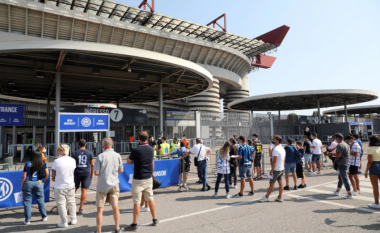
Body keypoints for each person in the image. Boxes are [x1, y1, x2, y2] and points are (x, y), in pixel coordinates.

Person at [125, 131, 159, 231]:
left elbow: (128, 162)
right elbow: (152, 163)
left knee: (137, 202)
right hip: (148, 177)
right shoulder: (151, 149)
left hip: (138, 178)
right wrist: (152, 173)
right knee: (151, 198)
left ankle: (134, 224)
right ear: (147, 138)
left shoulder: (136, 150)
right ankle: (155, 219)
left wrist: (133, 160)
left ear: (139, 139)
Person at [94, 138, 124, 233]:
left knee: (100, 210)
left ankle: (99, 231)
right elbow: (121, 170)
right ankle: (117, 228)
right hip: (114, 184)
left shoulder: (100, 156)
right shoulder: (117, 155)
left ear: (103, 145)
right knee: (115, 207)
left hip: (102, 185)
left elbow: (96, 173)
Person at [52, 144, 77, 228]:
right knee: (71, 202)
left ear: (62, 151)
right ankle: (73, 219)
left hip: (59, 186)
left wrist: (55, 177)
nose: (56, 152)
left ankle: (64, 222)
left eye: (58, 150)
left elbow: (53, 175)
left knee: (61, 204)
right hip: (70, 184)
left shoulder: (56, 161)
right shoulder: (72, 160)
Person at [21, 150, 49, 225]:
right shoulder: (43, 163)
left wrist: (22, 186)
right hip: (39, 182)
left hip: (28, 182)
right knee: (40, 200)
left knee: (27, 202)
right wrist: (43, 181)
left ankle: (27, 220)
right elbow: (47, 173)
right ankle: (44, 216)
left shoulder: (27, 164)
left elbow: (24, 176)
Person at [259, 135, 285, 202]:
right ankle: (280, 197)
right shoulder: (282, 148)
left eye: (274, 139)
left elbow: (274, 161)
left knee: (271, 184)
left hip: (276, 169)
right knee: (280, 182)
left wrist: (272, 170)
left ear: (277, 140)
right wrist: (282, 166)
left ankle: (266, 197)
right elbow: (284, 159)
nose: (273, 140)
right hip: (281, 168)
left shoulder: (276, 149)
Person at [327, 133, 353, 199]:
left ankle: (349, 193)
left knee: (344, 178)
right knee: (341, 178)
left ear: (338, 138)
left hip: (342, 163)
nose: (335, 139)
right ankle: (337, 191)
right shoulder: (346, 144)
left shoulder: (340, 145)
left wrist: (331, 153)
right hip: (346, 163)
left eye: (335, 138)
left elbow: (339, 155)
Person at [71, 139, 94, 214]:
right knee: (84, 190)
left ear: (78, 144)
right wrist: (92, 174)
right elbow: (92, 165)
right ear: (85, 144)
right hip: (86, 172)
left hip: (76, 172)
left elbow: (71, 164)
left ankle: (70, 206)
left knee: (73, 189)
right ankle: (81, 208)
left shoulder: (75, 153)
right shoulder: (90, 153)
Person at [364, 135, 380, 209]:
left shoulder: (370, 149)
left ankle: (377, 203)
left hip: (374, 167)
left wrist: (366, 171)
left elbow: (370, 162)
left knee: (375, 186)